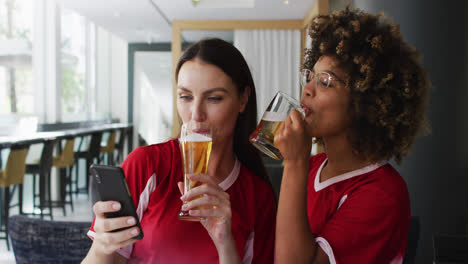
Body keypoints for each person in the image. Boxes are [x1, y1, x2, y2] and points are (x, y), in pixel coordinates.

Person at [82, 38, 276, 263]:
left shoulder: (258, 196)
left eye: (214, 98)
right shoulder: (147, 165)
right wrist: (102, 247)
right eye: (186, 97)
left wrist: (225, 243)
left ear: (243, 99)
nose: (196, 114)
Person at [274, 7, 429, 264]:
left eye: (325, 81)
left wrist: (293, 163)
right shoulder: (312, 168)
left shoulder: (382, 192)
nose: (307, 89)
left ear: (364, 102)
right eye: (310, 77)